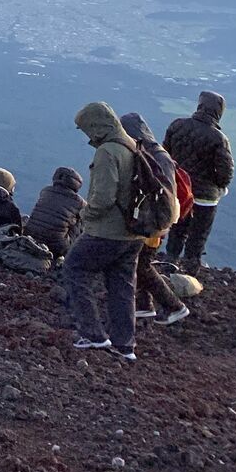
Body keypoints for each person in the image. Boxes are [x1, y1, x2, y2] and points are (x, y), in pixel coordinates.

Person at [64, 102, 144, 358]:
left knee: (74, 267)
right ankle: (125, 345)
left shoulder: (108, 151)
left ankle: (92, 334)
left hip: (107, 231)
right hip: (133, 232)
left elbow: (103, 198)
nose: (87, 134)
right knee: (122, 285)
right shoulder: (132, 145)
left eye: (87, 128)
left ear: (97, 125)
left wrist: (85, 215)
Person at [121, 112, 190, 327]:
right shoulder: (156, 153)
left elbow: (159, 194)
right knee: (139, 263)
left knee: (142, 265)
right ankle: (144, 306)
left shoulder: (153, 157)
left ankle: (175, 306)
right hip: (156, 220)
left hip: (153, 221)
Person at [164, 90, 234, 277]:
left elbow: (165, 155)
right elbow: (226, 171)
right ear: (218, 112)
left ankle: (169, 262)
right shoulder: (219, 139)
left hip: (179, 190)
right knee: (198, 234)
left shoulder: (177, 126)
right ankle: (190, 271)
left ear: (199, 105)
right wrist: (219, 188)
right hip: (206, 197)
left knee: (177, 227)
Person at [26, 166, 85, 260]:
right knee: (82, 219)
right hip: (57, 246)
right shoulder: (80, 202)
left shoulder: (45, 191)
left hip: (30, 236)